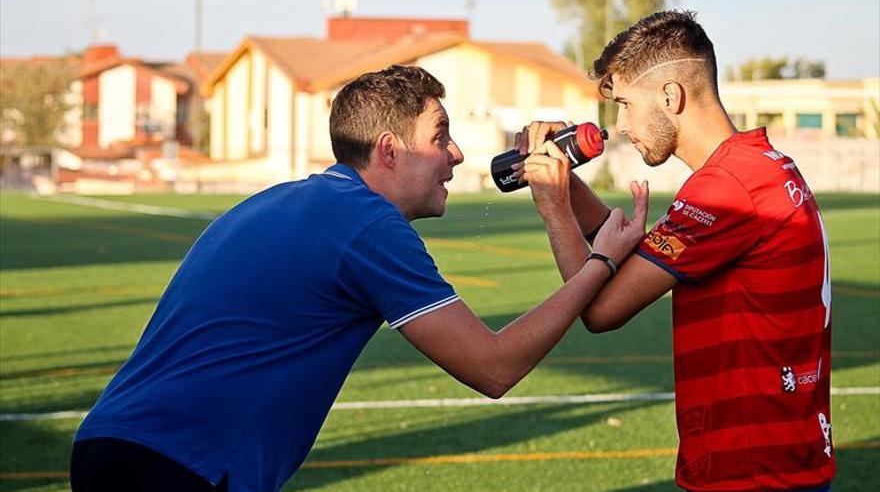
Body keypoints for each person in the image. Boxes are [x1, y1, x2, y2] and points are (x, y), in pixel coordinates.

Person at [70, 65, 649, 492]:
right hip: (176, 467)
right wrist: (597, 263)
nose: (456, 154)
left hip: (122, 447)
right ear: (390, 151)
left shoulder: (298, 200)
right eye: (440, 136)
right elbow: (492, 369)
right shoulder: (366, 224)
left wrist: (565, 191)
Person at [514, 10, 834, 492]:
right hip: (782, 456)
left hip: (752, 470)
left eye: (624, 104)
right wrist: (566, 178)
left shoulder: (724, 189)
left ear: (670, 96)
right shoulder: (758, 168)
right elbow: (645, 262)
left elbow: (600, 309)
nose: (620, 125)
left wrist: (553, 207)